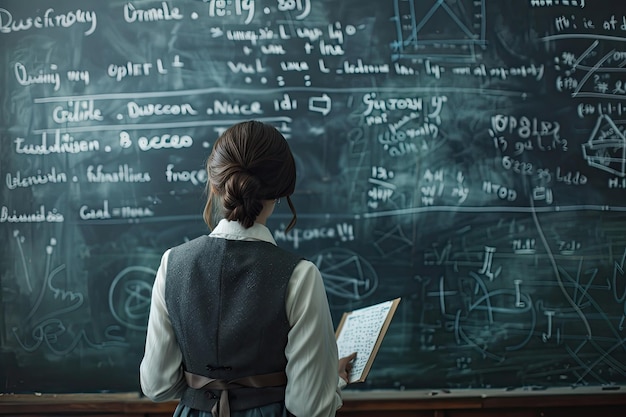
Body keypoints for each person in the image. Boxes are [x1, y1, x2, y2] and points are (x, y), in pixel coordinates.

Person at [140, 120, 357, 417]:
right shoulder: (300, 275)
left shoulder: (171, 263)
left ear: (215, 185)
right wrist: (331, 378)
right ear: (281, 190)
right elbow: (309, 406)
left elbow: (157, 385)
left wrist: (206, 389)